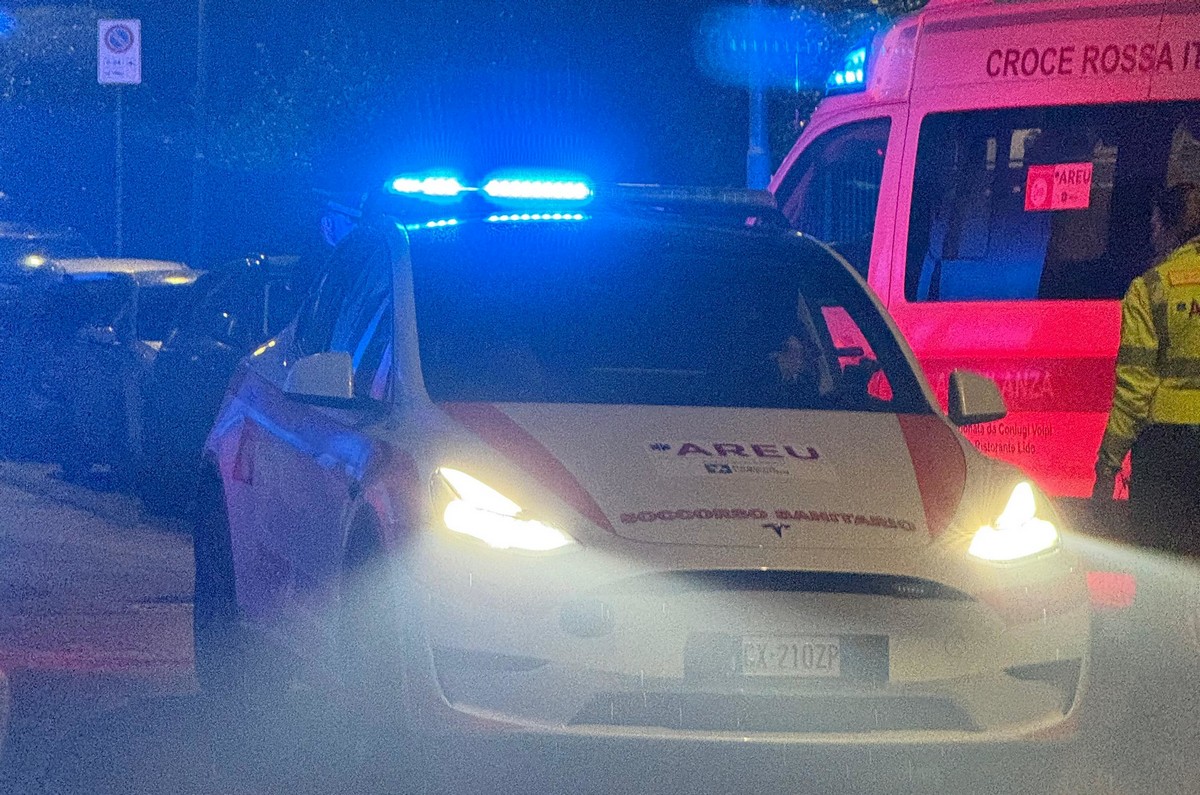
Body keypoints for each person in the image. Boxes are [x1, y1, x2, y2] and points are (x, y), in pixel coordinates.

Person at [1093, 182, 1200, 555]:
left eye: (1155, 224)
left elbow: (1134, 390)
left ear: (1170, 227)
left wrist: (1108, 464)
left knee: (1162, 561)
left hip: (1167, 451)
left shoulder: (1151, 288)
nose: (1152, 234)